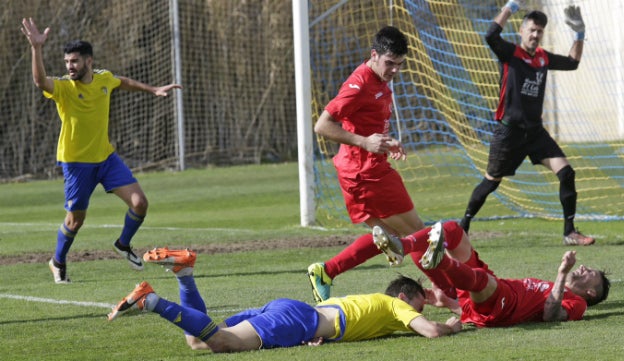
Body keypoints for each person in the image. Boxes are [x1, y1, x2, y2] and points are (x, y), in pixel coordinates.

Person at [20, 18, 182, 283]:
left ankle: (123, 244)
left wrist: (153, 89)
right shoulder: (64, 88)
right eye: (66, 62)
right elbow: (40, 81)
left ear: (88, 61)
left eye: (74, 61)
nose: (69, 67)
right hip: (76, 164)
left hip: (106, 158)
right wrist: (36, 49)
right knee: (75, 222)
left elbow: (122, 81)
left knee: (140, 203)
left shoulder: (104, 79)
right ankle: (57, 261)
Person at [308, 25, 456, 303]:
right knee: (418, 234)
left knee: (392, 241)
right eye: (390, 63)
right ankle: (449, 292)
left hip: (362, 171)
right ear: (373, 55)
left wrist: (386, 142)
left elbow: (367, 124)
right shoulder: (359, 85)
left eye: (400, 64)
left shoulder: (379, 80)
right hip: (366, 173)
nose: (395, 70)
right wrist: (365, 143)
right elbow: (322, 125)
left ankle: (326, 271)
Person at [107, 248, 462, 353]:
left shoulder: (371, 303)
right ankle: (150, 301)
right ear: (403, 297)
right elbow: (430, 332)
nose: (417, 311)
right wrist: (451, 321)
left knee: (197, 341)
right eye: (418, 304)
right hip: (297, 320)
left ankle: (184, 274)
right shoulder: (395, 306)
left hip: (292, 312)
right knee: (219, 342)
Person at [458, 1, 595, 246]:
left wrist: (580, 34)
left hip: (535, 133)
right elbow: (490, 35)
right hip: (508, 133)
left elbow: (573, 62)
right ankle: (463, 226)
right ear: (521, 31)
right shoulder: (510, 53)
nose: (535, 34)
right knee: (491, 182)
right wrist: (510, 7)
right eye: (531, 29)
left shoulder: (543, 58)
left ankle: (569, 232)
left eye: (539, 31)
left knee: (567, 173)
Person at [376, 220, 611, 326]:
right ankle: (401, 247)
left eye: (589, 272)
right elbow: (478, 315)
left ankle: (443, 263)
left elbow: (551, 315)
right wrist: (449, 302)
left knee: (482, 280)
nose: (583, 267)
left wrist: (562, 272)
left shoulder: (578, 304)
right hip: (494, 292)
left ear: (591, 291)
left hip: (502, 303)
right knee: (454, 231)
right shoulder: (556, 290)